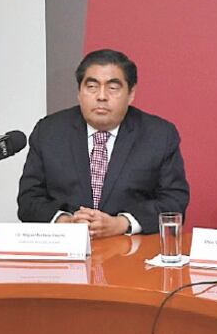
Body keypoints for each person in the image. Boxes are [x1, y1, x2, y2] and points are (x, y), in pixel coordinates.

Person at [17, 49, 189, 236]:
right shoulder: (49, 132)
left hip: (131, 253)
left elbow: (174, 201)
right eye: (91, 87)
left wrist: (121, 223)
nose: (101, 96)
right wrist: (65, 222)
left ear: (131, 94)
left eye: (112, 88)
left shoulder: (159, 135)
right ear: (79, 92)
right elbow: (29, 200)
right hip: (66, 251)